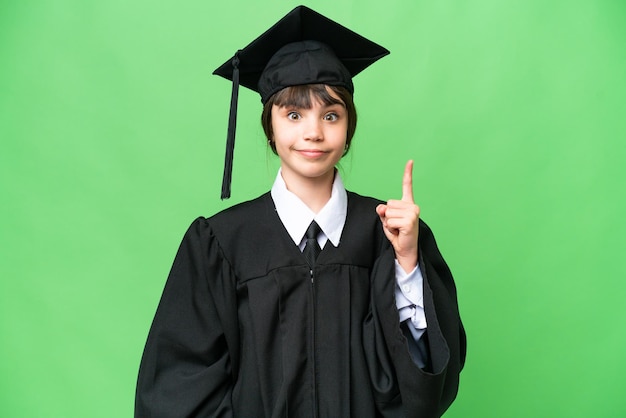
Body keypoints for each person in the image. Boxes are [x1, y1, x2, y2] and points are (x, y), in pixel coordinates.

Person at [135, 5, 465, 418]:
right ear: (270, 129)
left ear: (348, 132)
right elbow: (178, 387)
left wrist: (409, 265)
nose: (313, 131)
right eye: (293, 114)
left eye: (331, 115)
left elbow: (421, 388)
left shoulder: (388, 236)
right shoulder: (221, 243)